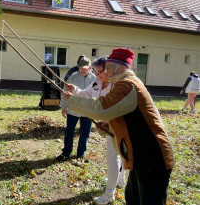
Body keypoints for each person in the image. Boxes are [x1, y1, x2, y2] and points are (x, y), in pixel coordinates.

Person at [63, 48, 174, 205]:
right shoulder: (123, 84)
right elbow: (125, 117)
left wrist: (72, 100)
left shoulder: (127, 85)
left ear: (118, 68)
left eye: (107, 69)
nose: (105, 74)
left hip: (152, 157)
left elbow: (102, 108)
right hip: (141, 157)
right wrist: (108, 126)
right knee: (133, 199)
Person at [65, 56, 125, 204]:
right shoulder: (97, 82)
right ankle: (120, 181)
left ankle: (109, 194)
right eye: (96, 72)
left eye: (100, 72)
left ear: (108, 70)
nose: (97, 75)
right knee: (118, 154)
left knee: (114, 156)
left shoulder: (116, 85)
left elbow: (108, 107)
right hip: (107, 124)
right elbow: (86, 94)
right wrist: (75, 90)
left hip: (117, 125)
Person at [56, 56, 95, 162]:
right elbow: (65, 92)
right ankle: (66, 153)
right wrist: (64, 107)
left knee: (85, 132)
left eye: (85, 68)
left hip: (87, 111)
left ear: (90, 67)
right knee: (69, 131)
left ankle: (81, 154)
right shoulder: (73, 77)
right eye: (80, 68)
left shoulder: (95, 79)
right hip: (73, 110)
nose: (82, 70)